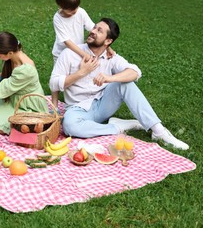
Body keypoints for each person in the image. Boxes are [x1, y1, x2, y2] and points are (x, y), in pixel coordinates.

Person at [49, 18, 189, 150]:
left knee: (125, 84)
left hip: (103, 104)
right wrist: (81, 73)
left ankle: (158, 131)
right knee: (69, 126)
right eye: (94, 28)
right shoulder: (69, 54)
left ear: (108, 41)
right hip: (77, 109)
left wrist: (110, 78)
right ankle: (117, 127)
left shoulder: (111, 57)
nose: (93, 31)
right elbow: (53, 83)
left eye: (99, 31)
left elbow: (135, 72)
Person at [50, 0, 114, 109]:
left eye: (76, 8)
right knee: (57, 79)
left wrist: (107, 47)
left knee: (77, 74)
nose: (75, 11)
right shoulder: (57, 18)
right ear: (61, 7)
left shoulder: (80, 12)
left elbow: (92, 28)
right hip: (61, 52)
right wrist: (84, 54)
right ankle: (54, 103)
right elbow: (67, 41)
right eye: (72, 10)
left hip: (78, 51)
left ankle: (77, 100)